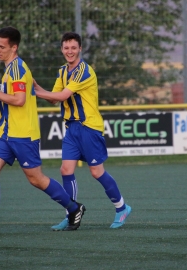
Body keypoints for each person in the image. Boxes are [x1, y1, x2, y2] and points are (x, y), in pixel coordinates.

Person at [0, 27, 85, 234]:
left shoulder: (18, 69)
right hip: (4, 132)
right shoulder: (8, 69)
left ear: (14, 47)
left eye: (2, 46)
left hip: (23, 134)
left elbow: (19, 101)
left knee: (35, 179)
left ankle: (74, 208)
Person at [33, 32, 131, 230]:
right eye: (66, 48)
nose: (70, 51)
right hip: (72, 128)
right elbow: (53, 97)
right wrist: (34, 85)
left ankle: (122, 208)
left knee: (96, 172)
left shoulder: (83, 71)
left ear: (80, 49)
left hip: (89, 127)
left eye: (73, 48)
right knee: (65, 169)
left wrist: (32, 91)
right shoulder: (62, 71)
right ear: (61, 49)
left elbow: (62, 96)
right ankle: (71, 213)